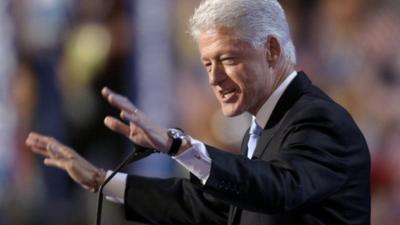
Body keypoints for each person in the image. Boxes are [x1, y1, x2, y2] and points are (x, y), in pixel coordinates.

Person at [26, 0, 371, 224]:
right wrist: (102, 181)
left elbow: (277, 189)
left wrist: (179, 147)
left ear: (271, 50)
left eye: (227, 59)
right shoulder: (268, 124)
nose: (214, 79)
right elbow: (217, 207)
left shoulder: (319, 120)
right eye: (207, 64)